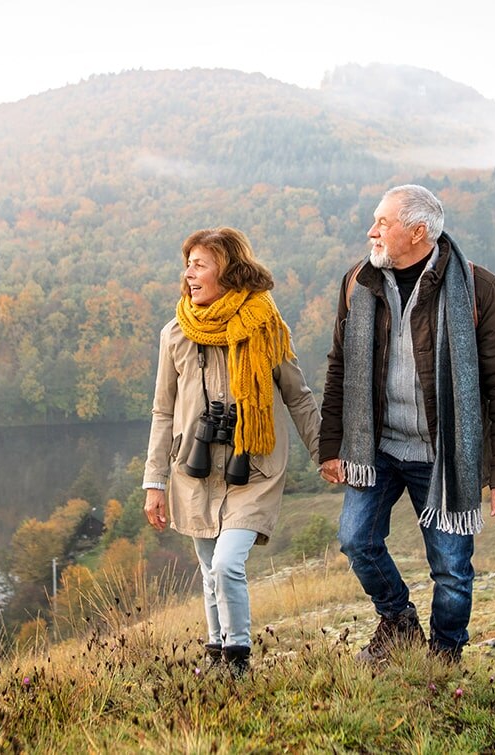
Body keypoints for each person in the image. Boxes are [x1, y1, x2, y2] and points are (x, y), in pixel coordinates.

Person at [318, 184, 495, 665]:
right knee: (356, 539)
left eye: (383, 223)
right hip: (378, 447)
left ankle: (445, 658)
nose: (371, 232)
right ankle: (398, 621)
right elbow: (339, 366)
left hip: (444, 454)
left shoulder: (479, 289)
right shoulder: (359, 282)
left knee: (452, 569)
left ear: (418, 233)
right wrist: (332, 445)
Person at [143, 227, 321, 676]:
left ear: (228, 270)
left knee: (226, 564)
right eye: (187, 264)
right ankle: (216, 651)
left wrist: (325, 453)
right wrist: (154, 481)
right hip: (194, 469)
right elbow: (163, 412)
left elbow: (298, 396)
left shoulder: (265, 329)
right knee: (208, 569)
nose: (189, 274)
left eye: (199, 264)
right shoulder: (175, 334)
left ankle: (237, 658)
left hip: (253, 467)